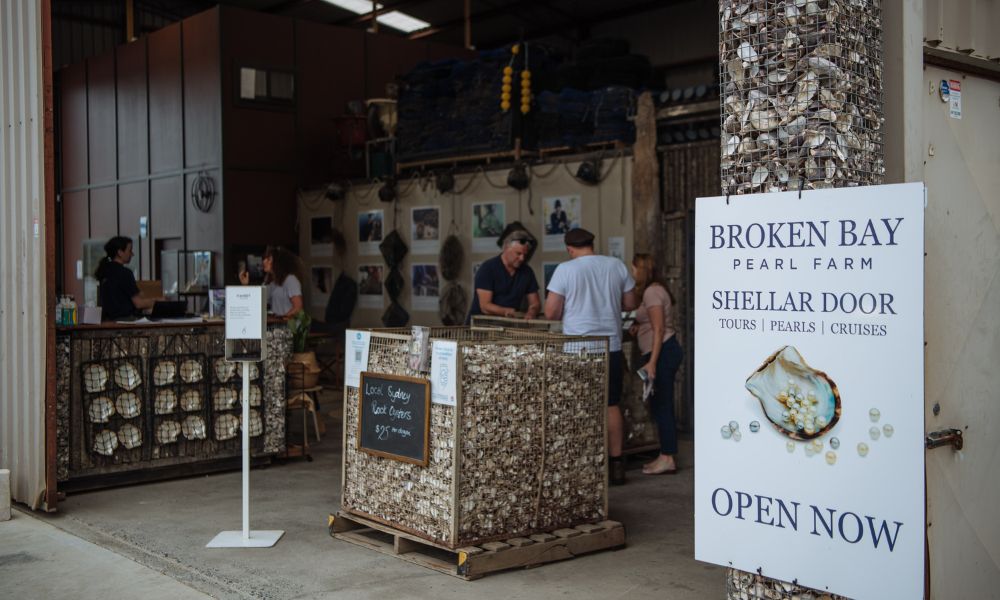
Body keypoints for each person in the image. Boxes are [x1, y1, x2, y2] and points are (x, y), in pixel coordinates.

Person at [544, 228, 637, 485]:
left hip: (577, 347)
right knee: (611, 404)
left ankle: (584, 463)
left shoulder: (566, 269)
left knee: (578, 404)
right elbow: (630, 303)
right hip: (611, 345)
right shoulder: (616, 265)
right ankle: (616, 464)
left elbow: (551, 312)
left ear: (569, 248)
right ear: (592, 244)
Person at [629, 253, 683, 475]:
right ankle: (664, 454)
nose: (631, 273)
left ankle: (668, 457)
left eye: (633, 268)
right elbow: (651, 324)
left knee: (663, 406)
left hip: (662, 353)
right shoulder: (653, 291)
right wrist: (638, 327)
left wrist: (652, 363)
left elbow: (660, 329)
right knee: (659, 405)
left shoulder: (652, 292)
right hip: (659, 352)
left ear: (641, 269)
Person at [466, 229, 540, 323]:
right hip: (480, 328)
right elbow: (485, 306)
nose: (522, 258)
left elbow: (535, 303)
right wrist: (506, 311)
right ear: (505, 248)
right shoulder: (488, 269)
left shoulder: (527, 272)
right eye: (518, 253)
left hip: (508, 328)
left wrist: (532, 311)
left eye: (525, 255)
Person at [95, 236, 160, 320]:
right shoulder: (125, 273)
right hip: (125, 320)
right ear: (120, 252)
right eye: (129, 250)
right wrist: (158, 301)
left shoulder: (105, 271)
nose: (132, 254)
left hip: (107, 320)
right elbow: (138, 303)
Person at [239, 245, 303, 319]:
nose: (264, 261)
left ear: (277, 262)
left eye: (268, 259)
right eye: (264, 258)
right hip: (276, 328)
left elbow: (298, 308)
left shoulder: (290, 280)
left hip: (287, 328)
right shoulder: (271, 283)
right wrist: (245, 286)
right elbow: (257, 302)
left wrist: (282, 320)